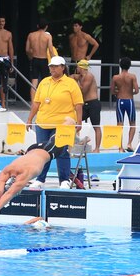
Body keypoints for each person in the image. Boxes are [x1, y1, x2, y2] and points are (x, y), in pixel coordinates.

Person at [25, 56, 83, 188]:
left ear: (63, 67)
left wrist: (79, 122)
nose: (52, 69)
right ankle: (40, 179)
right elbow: (36, 103)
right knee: (41, 151)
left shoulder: (71, 83)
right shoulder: (44, 82)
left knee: (61, 151)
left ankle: (64, 180)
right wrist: (29, 119)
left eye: (55, 66)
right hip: (43, 122)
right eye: (51, 66)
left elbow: (78, 104)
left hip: (63, 124)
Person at [0, 138, 67, 226]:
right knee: (60, 135)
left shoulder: (24, 175)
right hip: (32, 149)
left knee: (65, 135)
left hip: (51, 149)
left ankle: (65, 180)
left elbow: (8, 193)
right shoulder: (7, 170)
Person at [72, 59, 101, 152]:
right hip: (85, 104)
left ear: (81, 67)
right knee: (75, 122)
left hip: (93, 103)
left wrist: (75, 82)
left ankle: (97, 148)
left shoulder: (89, 76)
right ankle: (79, 141)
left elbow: (83, 90)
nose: (76, 69)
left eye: (77, 67)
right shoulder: (80, 76)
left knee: (96, 126)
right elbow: (71, 77)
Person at [111, 56, 139, 152]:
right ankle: (129, 144)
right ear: (129, 66)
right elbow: (137, 90)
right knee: (132, 123)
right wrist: (130, 93)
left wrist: (118, 92)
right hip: (129, 101)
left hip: (120, 101)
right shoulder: (132, 76)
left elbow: (112, 91)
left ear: (120, 65)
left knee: (119, 125)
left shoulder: (115, 77)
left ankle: (120, 147)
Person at [26, 19, 55, 99]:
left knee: (34, 82)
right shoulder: (48, 36)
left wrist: (30, 56)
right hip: (44, 60)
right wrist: (54, 61)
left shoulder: (31, 35)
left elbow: (27, 49)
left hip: (35, 59)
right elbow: (51, 50)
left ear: (37, 26)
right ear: (46, 27)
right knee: (45, 82)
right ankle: (44, 100)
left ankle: (32, 102)